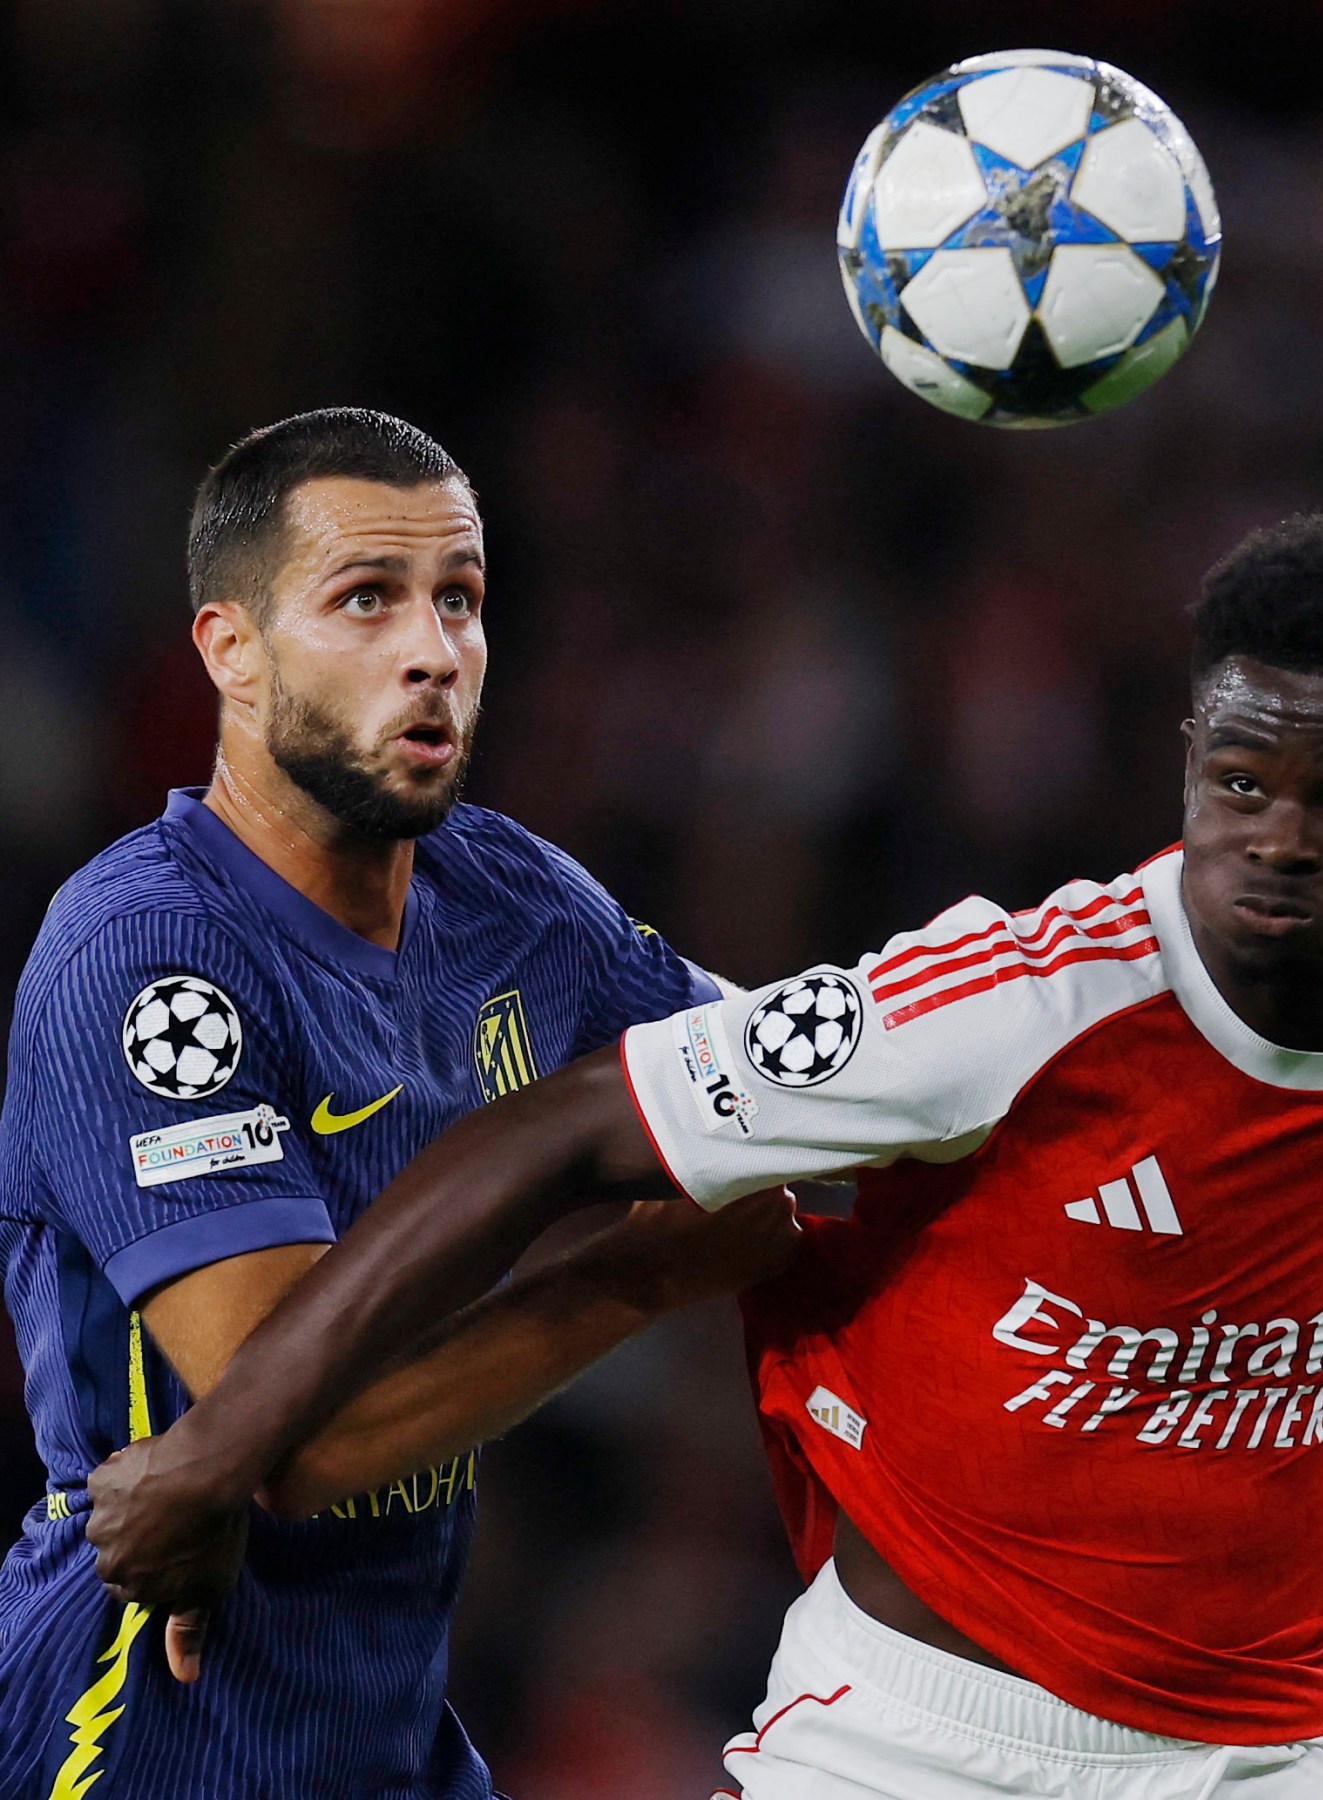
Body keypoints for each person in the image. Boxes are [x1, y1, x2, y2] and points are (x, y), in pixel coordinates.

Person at [86, 511, 1323, 1799]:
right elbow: (562, 1128)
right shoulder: (1014, 1002)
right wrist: (220, 1456)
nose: (1277, 840)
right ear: (1189, 765)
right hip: (921, 1740)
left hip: (1269, 1749)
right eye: (1239, 783)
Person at [0, 407, 797, 1800]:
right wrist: (634, 1277)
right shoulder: (147, 956)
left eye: (460, 599)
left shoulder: (511, 900)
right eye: (367, 598)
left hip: (387, 1731)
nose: (434, 650)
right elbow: (298, 1435)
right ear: (232, 652)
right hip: (147, 1731)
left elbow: (788, 1083)